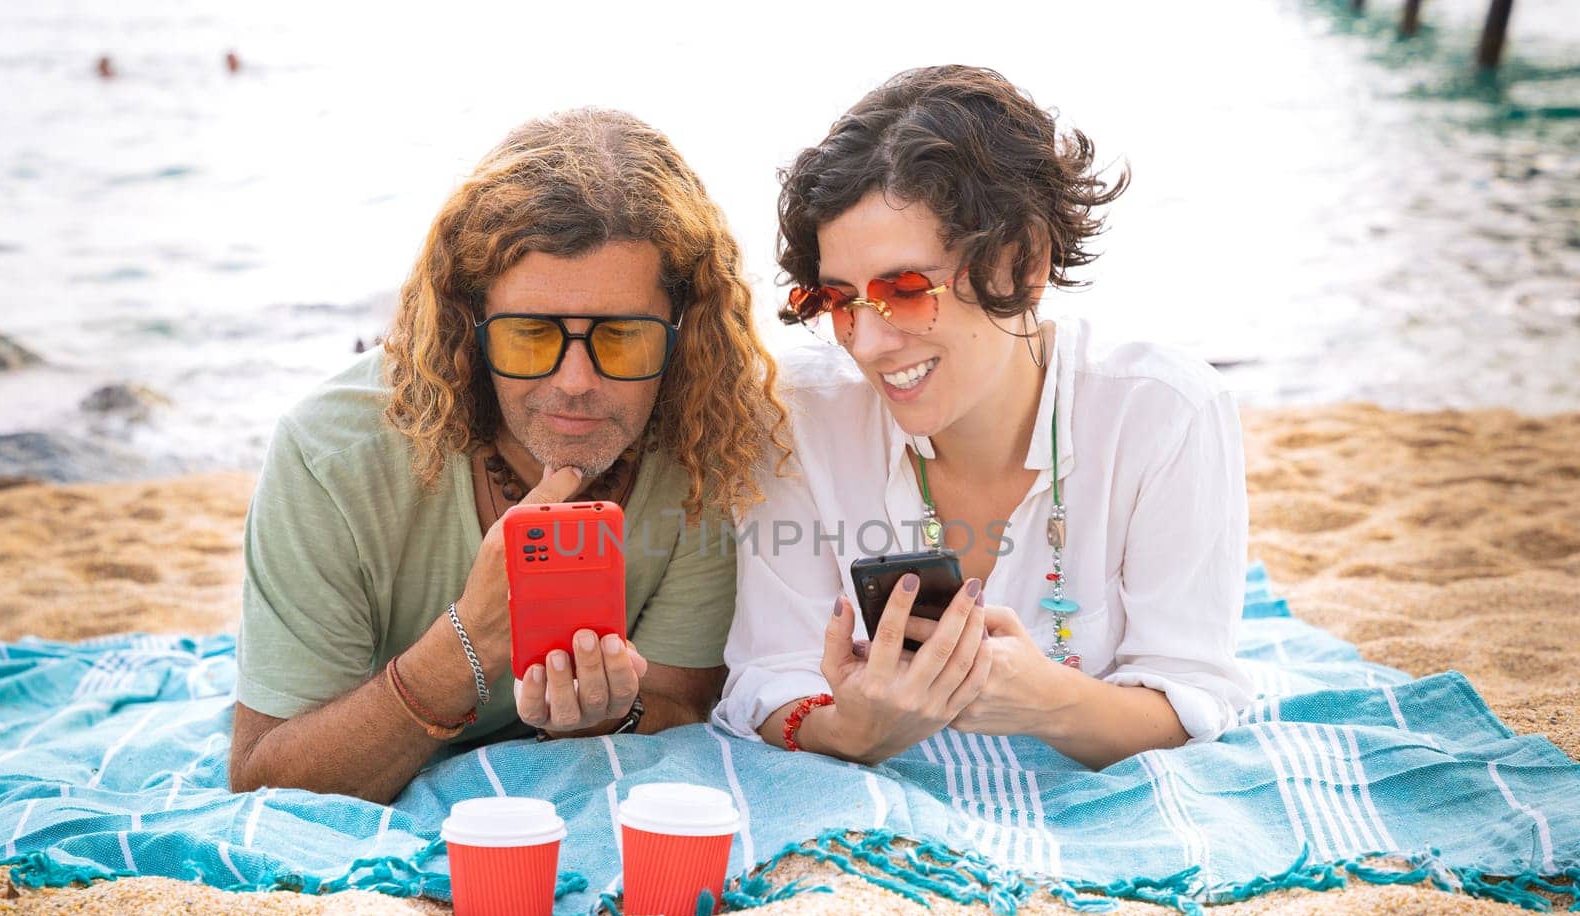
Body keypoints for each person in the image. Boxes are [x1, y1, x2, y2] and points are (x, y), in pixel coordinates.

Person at [230, 108, 787, 805]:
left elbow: (677, 699)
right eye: (529, 336)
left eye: (622, 338)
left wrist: (612, 716)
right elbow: (262, 776)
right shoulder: (332, 454)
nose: (576, 382)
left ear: (682, 331)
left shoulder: (705, 442)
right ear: (470, 323)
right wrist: (475, 638)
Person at [712, 66, 1251, 768]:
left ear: (1021, 264)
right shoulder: (798, 414)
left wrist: (1052, 701)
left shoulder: (1163, 413)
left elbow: (1192, 698)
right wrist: (848, 730)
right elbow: (768, 675)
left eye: (905, 292)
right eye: (840, 300)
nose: (867, 345)